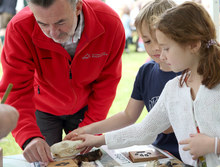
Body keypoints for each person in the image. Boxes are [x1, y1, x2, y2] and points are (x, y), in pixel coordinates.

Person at [65, 2, 220, 167]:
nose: (161, 56)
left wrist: (215, 145)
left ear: (193, 45)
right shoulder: (174, 88)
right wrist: (98, 140)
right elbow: (145, 130)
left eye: (167, 48)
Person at [0, 0, 125, 165]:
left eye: (60, 22)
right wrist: (29, 137)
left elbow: (107, 84)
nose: (53, 33)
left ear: (78, 7)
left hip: (86, 107)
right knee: (47, 160)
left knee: (86, 160)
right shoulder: (19, 27)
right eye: (42, 24)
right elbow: (16, 89)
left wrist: (90, 126)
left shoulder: (109, 23)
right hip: (44, 108)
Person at [65, 0, 181, 160]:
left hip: (189, 158)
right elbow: (128, 116)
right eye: (147, 41)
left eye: (160, 40)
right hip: (160, 154)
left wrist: (99, 139)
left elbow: (157, 128)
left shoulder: (186, 75)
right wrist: (88, 129)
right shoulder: (146, 72)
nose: (155, 47)